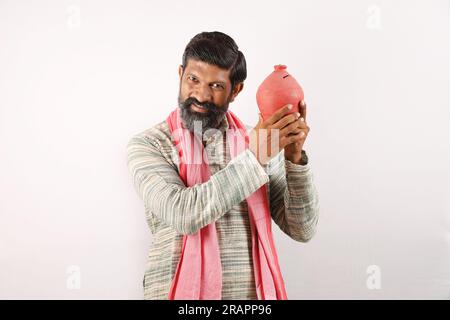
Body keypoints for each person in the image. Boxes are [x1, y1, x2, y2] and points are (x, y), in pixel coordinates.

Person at [126, 31, 319, 300]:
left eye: (216, 86)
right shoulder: (149, 144)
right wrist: (255, 158)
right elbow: (184, 215)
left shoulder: (260, 142)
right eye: (193, 79)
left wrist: (293, 158)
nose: (201, 95)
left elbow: (302, 229)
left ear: (236, 89)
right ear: (180, 74)